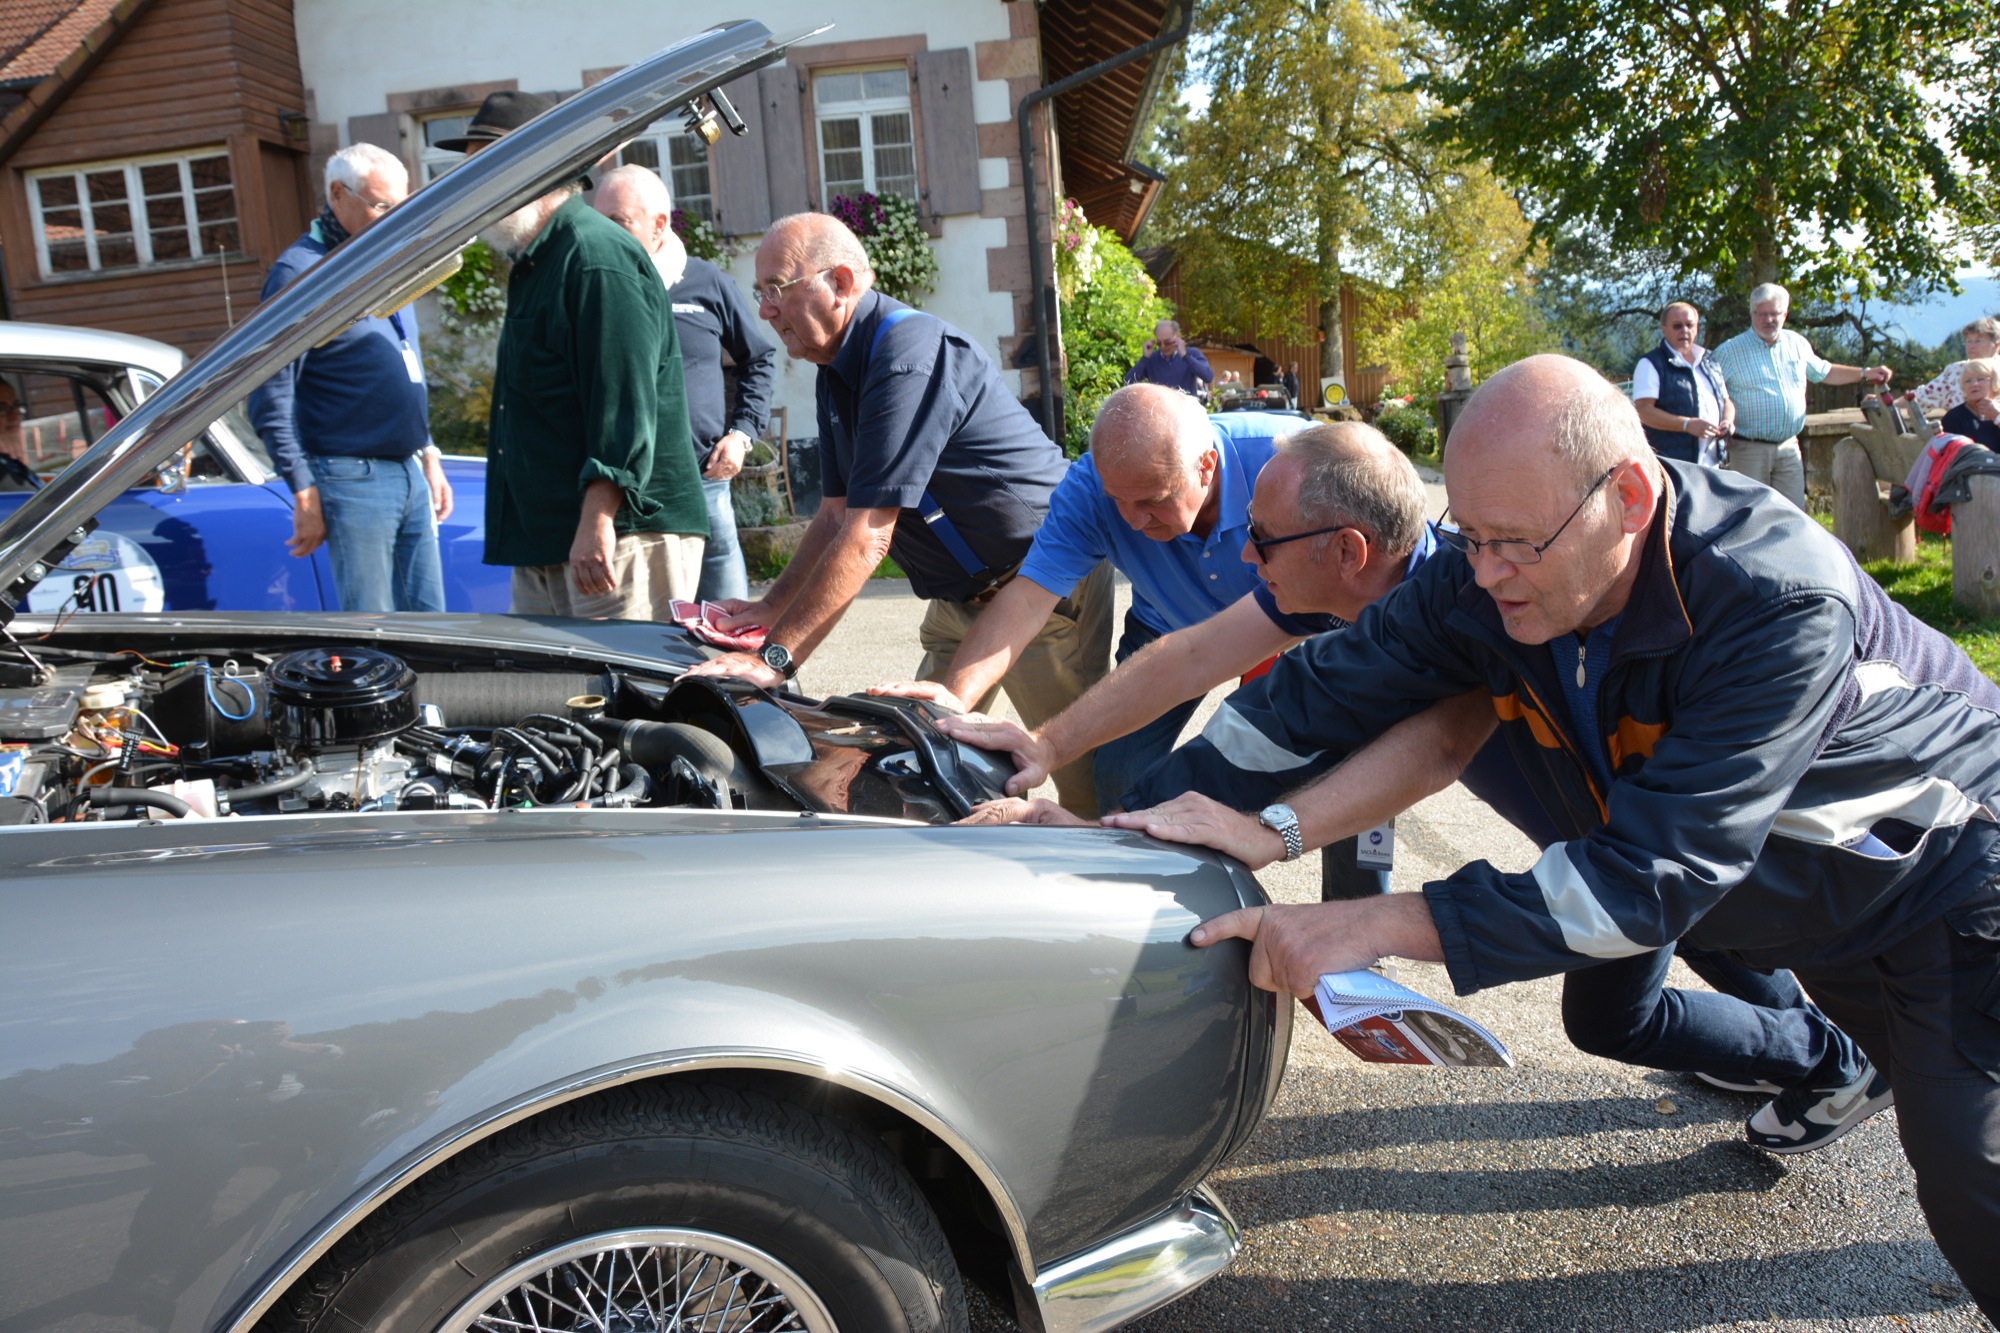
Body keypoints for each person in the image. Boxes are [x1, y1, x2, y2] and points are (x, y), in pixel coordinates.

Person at [1097, 354, 1998, 1318]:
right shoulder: (1498, 573)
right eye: (1470, 537)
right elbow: (1317, 694)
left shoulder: (1772, 602)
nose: (1484, 575)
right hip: (1819, 900)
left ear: (1632, 496)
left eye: (1515, 544)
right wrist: (1130, 828)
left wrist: (1367, 924)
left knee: (1966, 1166)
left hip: (1948, 877)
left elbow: (1648, 877)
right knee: (1908, 1091)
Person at [952, 418, 1875, 1142]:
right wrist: (1060, 760)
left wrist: (1281, 837)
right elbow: (1205, 662)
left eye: (1262, 541)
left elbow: (1432, 750)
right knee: (1648, 984)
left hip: (1659, 830)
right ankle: (1816, 1051)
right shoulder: (1356, 583)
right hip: (1618, 844)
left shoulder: (1492, 597)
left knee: (1718, 941)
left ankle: (1829, 1054)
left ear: (1347, 550)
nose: (1244, 558)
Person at [683, 212, 1112, 810]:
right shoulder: (833, 369)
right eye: (760, 294)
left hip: (1041, 590)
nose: (763, 311)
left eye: (776, 289)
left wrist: (774, 660)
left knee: (1085, 777)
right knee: (918, 762)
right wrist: (768, 608)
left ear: (839, 282)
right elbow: (835, 514)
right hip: (960, 597)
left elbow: (866, 536)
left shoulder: (907, 352)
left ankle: (1128, 890)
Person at [871, 383, 1310, 808]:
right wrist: (954, 694)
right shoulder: (1088, 491)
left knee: (1336, 755)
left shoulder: (1292, 463)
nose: (1133, 522)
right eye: (1117, 499)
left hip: (1300, 623)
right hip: (1168, 626)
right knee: (1119, 772)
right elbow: (1027, 598)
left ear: (1206, 466)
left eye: (1152, 500)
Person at [462, 92, 707, 617]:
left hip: (619, 535)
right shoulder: (539, 257)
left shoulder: (594, 256)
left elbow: (623, 401)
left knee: (629, 696)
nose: (474, 187)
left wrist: (598, 518)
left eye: (485, 168)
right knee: (546, 697)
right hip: (554, 536)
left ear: (537, 168)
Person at [246, 143, 451, 612]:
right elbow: (269, 392)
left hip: (408, 468)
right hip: (350, 476)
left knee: (436, 627)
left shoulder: (379, 257)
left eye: (403, 206)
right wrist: (302, 489)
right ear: (337, 195)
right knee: (375, 631)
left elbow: (405, 358)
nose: (394, 219)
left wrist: (429, 450)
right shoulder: (300, 273)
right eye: (382, 206)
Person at [590, 165, 776, 601]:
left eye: (618, 223)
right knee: (642, 630)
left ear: (659, 225)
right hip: (623, 490)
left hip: (703, 480)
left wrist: (742, 435)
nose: (602, 236)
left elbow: (760, 359)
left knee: (725, 620)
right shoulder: (592, 286)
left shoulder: (705, 282)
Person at [1711, 282, 1891, 509]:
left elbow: (1826, 372)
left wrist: (1866, 373)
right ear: (1751, 314)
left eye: (1774, 314)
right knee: (1749, 515)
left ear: (1785, 314)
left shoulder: (1797, 343)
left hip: (1788, 447)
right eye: (1761, 314)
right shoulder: (1728, 352)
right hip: (1748, 449)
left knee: (1793, 515)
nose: (1768, 320)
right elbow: (1710, 392)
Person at [1630, 302, 1731, 467]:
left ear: (1697, 328)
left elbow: (1727, 401)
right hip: (1673, 463)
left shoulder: (1710, 361)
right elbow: (1643, 411)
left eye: (1689, 325)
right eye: (1677, 326)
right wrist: (1686, 424)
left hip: (1712, 463)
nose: (1684, 330)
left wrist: (1727, 421)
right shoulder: (1650, 363)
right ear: (1664, 328)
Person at [1909, 317, 2000, 418]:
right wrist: (1891, 407)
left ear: (1996, 345)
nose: (1971, 346)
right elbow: (1922, 396)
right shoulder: (1955, 370)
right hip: (1959, 429)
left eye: (1978, 341)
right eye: (1969, 341)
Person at [1123, 319, 1213, 399]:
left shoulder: (1192, 354)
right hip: (1161, 411)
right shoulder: (1151, 359)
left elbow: (1208, 377)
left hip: (1185, 411)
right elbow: (1128, 382)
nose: (1163, 347)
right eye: (1159, 343)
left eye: (1167, 342)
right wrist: (1145, 358)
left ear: (1178, 336)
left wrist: (1185, 356)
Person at [1940, 357, 2000, 450]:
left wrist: (1997, 417)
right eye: (1968, 381)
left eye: (1980, 379)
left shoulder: (1998, 411)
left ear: (1993, 382)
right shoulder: (1954, 418)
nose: (1974, 384)